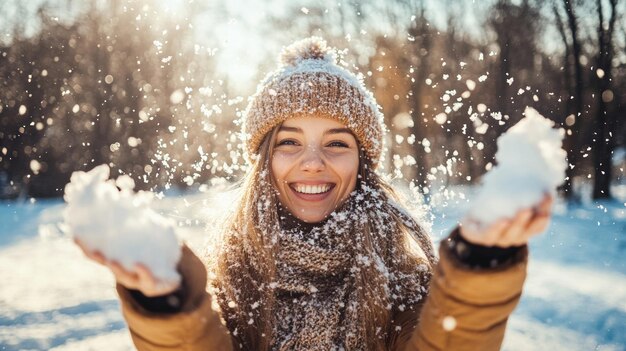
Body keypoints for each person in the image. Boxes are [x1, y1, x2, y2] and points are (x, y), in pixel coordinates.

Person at [76, 37, 553, 351]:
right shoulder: (225, 282)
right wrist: (168, 312)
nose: (312, 162)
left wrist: (477, 276)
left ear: (362, 164)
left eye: (337, 144)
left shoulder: (404, 279)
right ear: (262, 163)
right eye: (288, 142)